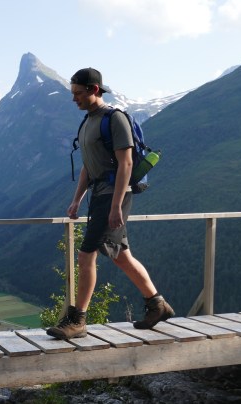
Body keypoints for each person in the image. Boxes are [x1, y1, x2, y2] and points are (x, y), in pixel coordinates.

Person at [47, 67, 174, 340]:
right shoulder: (88, 122)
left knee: (86, 255)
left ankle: (78, 320)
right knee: (120, 255)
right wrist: (76, 200)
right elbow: (87, 166)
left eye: (78, 93)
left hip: (113, 195)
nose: (74, 99)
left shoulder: (114, 119)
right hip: (100, 195)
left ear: (94, 90)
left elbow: (126, 162)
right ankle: (157, 304)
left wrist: (117, 205)